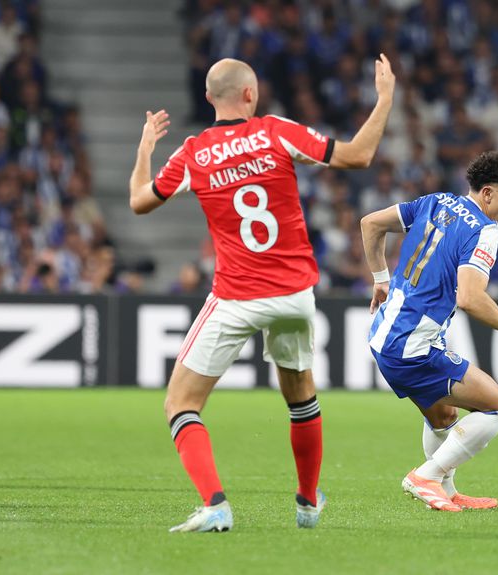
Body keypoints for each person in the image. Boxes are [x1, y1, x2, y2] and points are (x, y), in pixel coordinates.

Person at [129, 54, 396, 531]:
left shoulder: (193, 152)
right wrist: (385, 99)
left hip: (235, 295)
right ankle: (308, 502)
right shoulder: (276, 131)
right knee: (300, 398)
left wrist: (146, 148)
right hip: (293, 295)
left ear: (209, 98)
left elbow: (139, 201)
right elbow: (358, 155)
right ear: (250, 94)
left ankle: (215, 505)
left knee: (181, 405)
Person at [360, 151, 498, 512]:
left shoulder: (435, 201)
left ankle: (445, 490)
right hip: (412, 346)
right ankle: (427, 476)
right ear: (489, 194)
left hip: (384, 334)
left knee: (444, 417)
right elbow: (470, 298)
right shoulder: (484, 230)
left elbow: (370, 223)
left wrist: (380, 281)